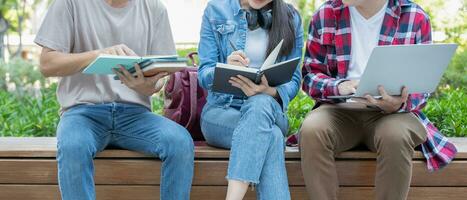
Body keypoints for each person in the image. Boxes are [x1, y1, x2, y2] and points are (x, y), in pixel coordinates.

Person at [35, 0, 194, 199]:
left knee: (180, 142)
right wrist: (97, 55)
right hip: (82, 113)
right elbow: (47, 64)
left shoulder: (154, 8)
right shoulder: (69, 4)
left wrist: (145, 86)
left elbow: (159, 80)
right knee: (73, 145)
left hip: (136, 116)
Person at [299, 0, 457, 199]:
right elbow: (310, 75)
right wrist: (339, 86)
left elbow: (422, 85)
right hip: (340, 109)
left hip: (393, 114)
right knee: (312, 129)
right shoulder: (326, 14)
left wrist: (400, 102)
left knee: (395, 136)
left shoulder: (415, 16)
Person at [197, 0, 303, 199]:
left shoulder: (291, 17)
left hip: (270, 110)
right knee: (271, 136)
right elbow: (203, 74)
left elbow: (295, 79)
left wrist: (269, 91)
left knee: (260, 103)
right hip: (222, 112)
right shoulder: (216, 10)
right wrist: (225, 67)